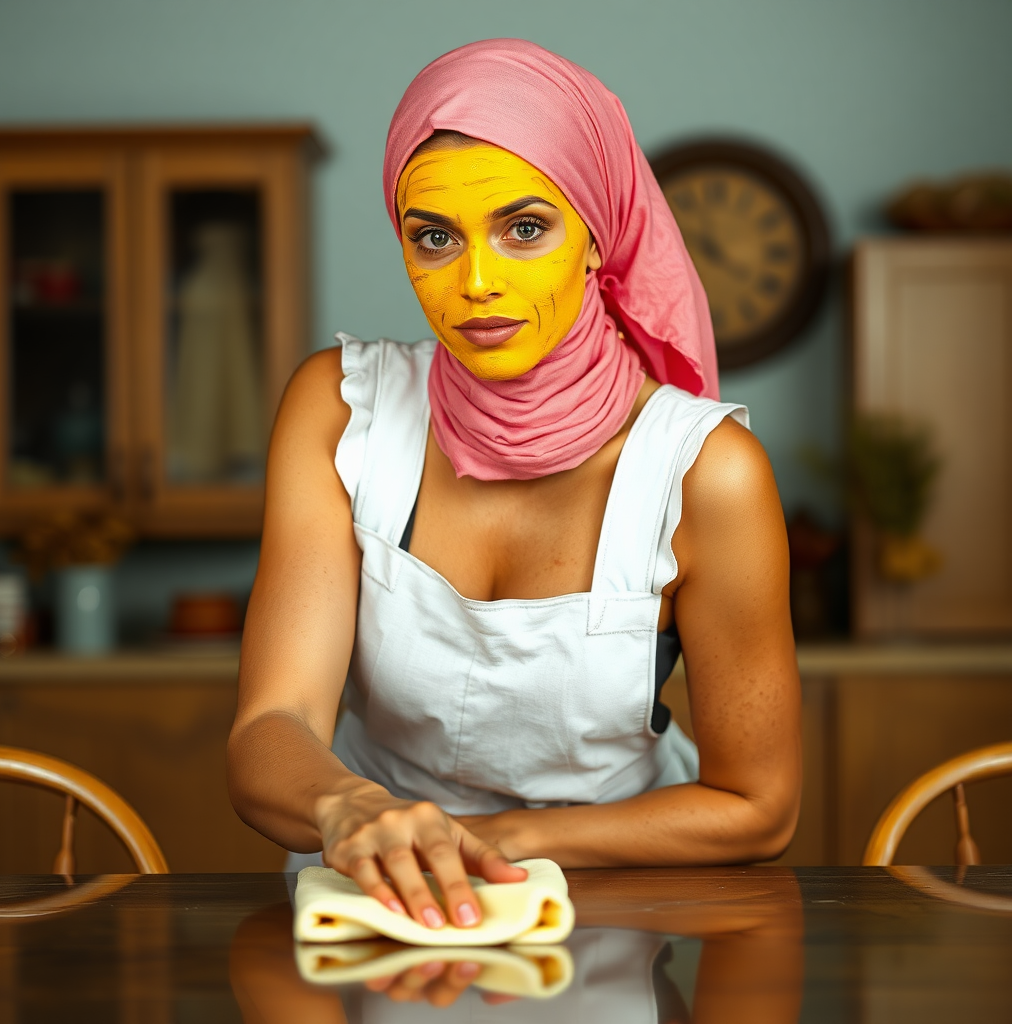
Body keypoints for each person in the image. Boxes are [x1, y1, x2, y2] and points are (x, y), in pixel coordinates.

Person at [227, 38, 801, 935]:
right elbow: (273, 726)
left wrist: (476, 839)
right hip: (376, 900)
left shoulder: (705, 473)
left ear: (594, 237)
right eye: (435, 238)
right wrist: (346, 810)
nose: (478, 283)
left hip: (616, 905)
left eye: (525, 228)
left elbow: (759, 807)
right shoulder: (339, 411)